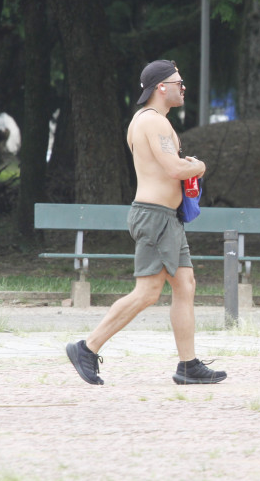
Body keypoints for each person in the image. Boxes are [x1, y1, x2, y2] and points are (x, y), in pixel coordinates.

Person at [66, 59, 226, 386]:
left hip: (167, 218)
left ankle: (188, 365)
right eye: (178, 82)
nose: (183, 87)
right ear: (160, 87)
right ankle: (87, 347)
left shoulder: (153, 122)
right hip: (155, 218)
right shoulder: (152, 122)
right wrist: (198, 166)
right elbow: (173, 169)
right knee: (148, 292)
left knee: (185, 285)